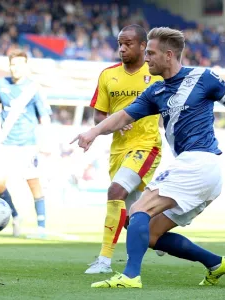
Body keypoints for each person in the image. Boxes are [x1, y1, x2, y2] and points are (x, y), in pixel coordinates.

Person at [71, 27, 225, 288]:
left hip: (199, 162)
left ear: (169, 55)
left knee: (137, 210)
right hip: (199, 170)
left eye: (151, 53)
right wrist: (94, 131)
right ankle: (216, 263)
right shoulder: (156, 92)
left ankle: (131, 276)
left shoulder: (203, 78)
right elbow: (122, 117)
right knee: (151, 235)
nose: (146, 59)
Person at [84, 24, 162, 274]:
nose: (122, 48)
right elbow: (99, 116)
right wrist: (114, 124)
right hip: (118, 151)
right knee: (132, 218)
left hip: (146, 145)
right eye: (120, 43)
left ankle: (104, 261)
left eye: (128, 43)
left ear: (143, 46)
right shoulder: (108, 75)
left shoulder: (158, 75)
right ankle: (159, 233)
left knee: (115, 191)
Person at [0, 49, 51, 238]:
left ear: (25, 66)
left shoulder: (33, 88)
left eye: (19, 64)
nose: (15, 68)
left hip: (27, 144)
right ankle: (15, 215)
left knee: (34, 184)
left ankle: (41, 228)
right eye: (13, 64)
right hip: (6, 143)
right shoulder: (1, 84)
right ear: (9, 66)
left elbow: (44, 117)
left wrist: (46, 142)